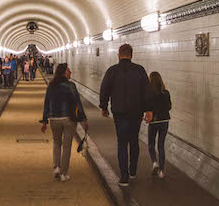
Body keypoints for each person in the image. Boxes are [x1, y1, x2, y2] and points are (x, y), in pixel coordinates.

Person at [98, 44, 151, 187]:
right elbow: (147, 91)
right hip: (136, 112)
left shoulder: (112, 71)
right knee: (134, 140)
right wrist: (148, 110)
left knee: (122, 142)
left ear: (118, 55)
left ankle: (124, 176)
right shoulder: (139, 70)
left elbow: (104, 89)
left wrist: (104, 107)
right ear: (131, 55)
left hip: (119, 112)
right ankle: (133, 170)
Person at [40, 63, 87, 181]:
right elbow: (78, 103)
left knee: (56, 143)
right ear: (63, 73)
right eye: (68, 71)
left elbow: (46, 103)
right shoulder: (71, 86)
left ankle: (56, 167)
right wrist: (83, 119)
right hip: (68, 119)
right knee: (66, 146)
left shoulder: (51, 85)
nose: (70, 72)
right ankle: (64, 174)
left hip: (54, 119)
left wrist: (45, 120)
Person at [146, 71, 171, 179]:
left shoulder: (149, 93)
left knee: (151, 143)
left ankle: (155, 162)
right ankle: (161, 171)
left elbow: (147, 107)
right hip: (165, 121)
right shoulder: (166, 92)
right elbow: (169, 107)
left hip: (154, 122)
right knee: (161, 145)